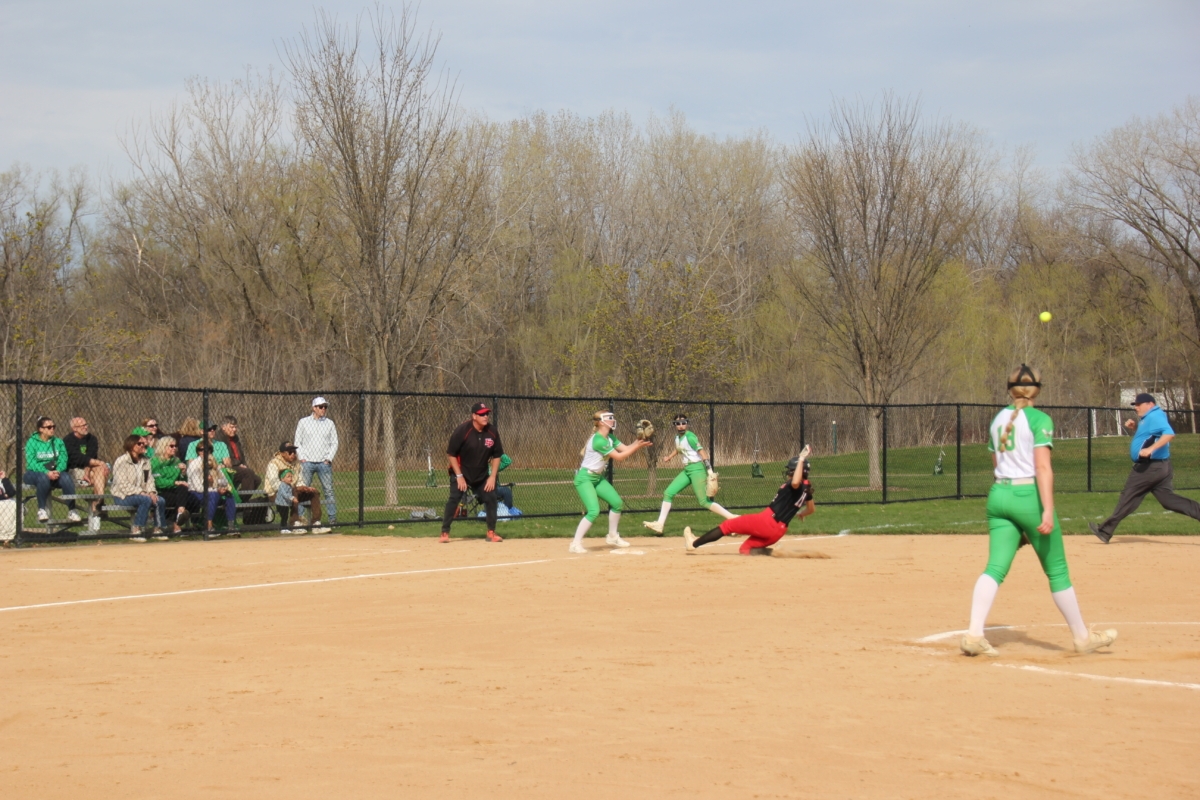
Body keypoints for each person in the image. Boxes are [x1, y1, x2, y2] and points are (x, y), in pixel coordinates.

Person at [959, 365, 1117, 658]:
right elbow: (1043, 467)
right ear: (1037, 391)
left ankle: (973, 635)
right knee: (1057, 571)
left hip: (999, 495)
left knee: (994, 568)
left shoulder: (998, 419)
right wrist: (1046, 511)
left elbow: (996, 465)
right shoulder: (1039, 418)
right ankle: (1082, 638)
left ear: (1009, 389)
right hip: (1027, 497)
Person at [1089, 392, 1200, 544]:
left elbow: (1169, 434)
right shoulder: (1148, 418)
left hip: (1150, 468)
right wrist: (1136, 428)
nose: (1136, 407)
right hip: (1160, 466)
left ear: (1150, 404)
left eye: (1138, 404)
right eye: (1135, 405)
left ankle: (1105, 531)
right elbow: (1150, 436)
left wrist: (1151, 449)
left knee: (1128, 497)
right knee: (1168, 501)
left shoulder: (1155, 415)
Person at [684, 445, 815, 555]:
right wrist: (802, 513)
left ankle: (694, 543)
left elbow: (796, 482)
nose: (788, 473)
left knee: (728, 526)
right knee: (745, 549)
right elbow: (811, 509)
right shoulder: (807, 487)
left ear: (797, 470)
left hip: (767, 521)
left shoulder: (796, 484)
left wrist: (802, 458)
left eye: (790, 471)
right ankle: (773, 552)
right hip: (779, 531)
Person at [568, 411, 652, 554]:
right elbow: (619, 457)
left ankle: (612, 536)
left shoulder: (610, 437)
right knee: (594, 511)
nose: (613, 420)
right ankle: (575, 544)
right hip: (585, 478)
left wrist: (638, 442)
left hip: (597, 478)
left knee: (617, 503)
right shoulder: (599, 440)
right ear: (601, 422)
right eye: (609, 418)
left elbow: (625, 448)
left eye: (613, 417)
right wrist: (637, 447)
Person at [644, 413, 736, 535]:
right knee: (668, 493)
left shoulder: (690, 436)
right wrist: (669, 457)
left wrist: (709, 470)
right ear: (675, 425)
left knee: (704, 501)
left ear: (687, 424)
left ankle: (733, 519)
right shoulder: (677, 438)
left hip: (697, 469)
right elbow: (679, 449)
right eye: (678, 423)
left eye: (683, 423)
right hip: (687, 470)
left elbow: (702, 452)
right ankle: (660, 524)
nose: (681, 425)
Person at [440, 402, 505, 544]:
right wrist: (459, 476)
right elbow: (451, 454)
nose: (485, 416)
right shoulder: (462, 431)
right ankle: (445, 532)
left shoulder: (492, 432)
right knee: (454, 499)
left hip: (481, 475)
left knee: (491, 497)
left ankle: (491, 532)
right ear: (474, 416)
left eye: (487, 413)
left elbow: (497, 455)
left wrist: (492, 477)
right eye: (482, 414)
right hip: (461, 473)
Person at [23, 417, 82, 524]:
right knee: (43, 478)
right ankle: (41, 510)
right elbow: (31, 462)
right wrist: (46, 472)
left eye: (53, 426)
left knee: (66, 478)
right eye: (49, 427)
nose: (52, 429)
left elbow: (63, 459)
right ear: (41, 429)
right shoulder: (31, 442)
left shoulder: (58, 442)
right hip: (34, 473)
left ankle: (72, 510)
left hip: (54, 472)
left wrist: (58, 470)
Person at [110, 434, 168, 542]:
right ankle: (136, 530)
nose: (143, 446)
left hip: (142, 494)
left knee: (160, 500)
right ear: (131, 445)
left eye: (144, 444)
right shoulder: (122, 461)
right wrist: (140, 492)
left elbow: (150, 480)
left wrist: (151, 492)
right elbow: (122, 484)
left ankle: (157, 530)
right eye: (140, 444)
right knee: (145, 500)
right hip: (122, 495)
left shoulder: (145, 461)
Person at [263, 442, 327, 534]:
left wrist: (305, 488)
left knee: (314, 492)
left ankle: (316, 524)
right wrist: (295, 488)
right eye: (290, 452)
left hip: (294, 491)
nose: (293, 454)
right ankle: (294, 524)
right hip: (276, 494)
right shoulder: (274, 464)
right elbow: (275, 484)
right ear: (282, 453)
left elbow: (300, 480)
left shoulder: (297, 463)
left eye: (294, 451)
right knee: (294, 491)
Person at [294, 397, 338, 528]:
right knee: (302, 490)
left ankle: (332, 519)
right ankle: (300, 519)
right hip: (307, 462)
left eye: (325, 407)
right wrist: (302, 458)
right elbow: (298, 441)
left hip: (323, 463)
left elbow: (334, 443)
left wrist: (328, 459)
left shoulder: (329, 423)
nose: (323, 409)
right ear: (314, 408)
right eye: (320, 407)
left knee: (328, 490)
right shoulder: (303, 422)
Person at [187, 441, 238, 539]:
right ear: (198, 452)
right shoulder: (195, 465)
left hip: (213, 491)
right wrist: (214, 489)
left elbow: (224, 480)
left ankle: (231, 527)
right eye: (201, 450)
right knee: (213, 495)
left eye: (207, 450)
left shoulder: (214, 463)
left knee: (228, 495)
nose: (204, 452)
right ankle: (209, 527)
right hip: (196, 493)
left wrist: (221, 487)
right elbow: (198, 488)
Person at [150, 435, 195, 535]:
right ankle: (177, 523)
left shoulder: (176, 461)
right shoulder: (155, 462)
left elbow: (183, 481)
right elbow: (157, 482)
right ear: (163, 447)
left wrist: (183, 473)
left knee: (191, 497)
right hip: (161, 491)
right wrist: (174, 482)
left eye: (175, 446)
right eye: (171, 446)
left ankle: (179, 514)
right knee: (181, 498)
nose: (174, 448)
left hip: (177, 491)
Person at [63, 417, 110, 509]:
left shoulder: (92, 439)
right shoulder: (68, 440)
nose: (85, 427)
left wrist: (87, 472)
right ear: (74, 428)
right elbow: (78, 459)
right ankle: (98, 503)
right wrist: (100, 462)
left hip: (89, 469)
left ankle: (99, 500)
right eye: (82, 425)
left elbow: (90, 456)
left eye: (86, 424)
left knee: (100, 469)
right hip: (74, 470)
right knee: (100, 474)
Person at [215, 415, 261, 492]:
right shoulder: (219, 439)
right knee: (248, 473)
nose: (234, 429)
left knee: (257, 479)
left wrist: (244, 465)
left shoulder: (235, 438)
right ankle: (238, 500)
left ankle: (241, 499)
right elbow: (227, 458)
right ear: (223, 427)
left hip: (238, 465)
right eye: (232, 427)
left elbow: (241, 455)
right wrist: (238, 464)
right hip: (228, 467)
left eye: (236, 427)